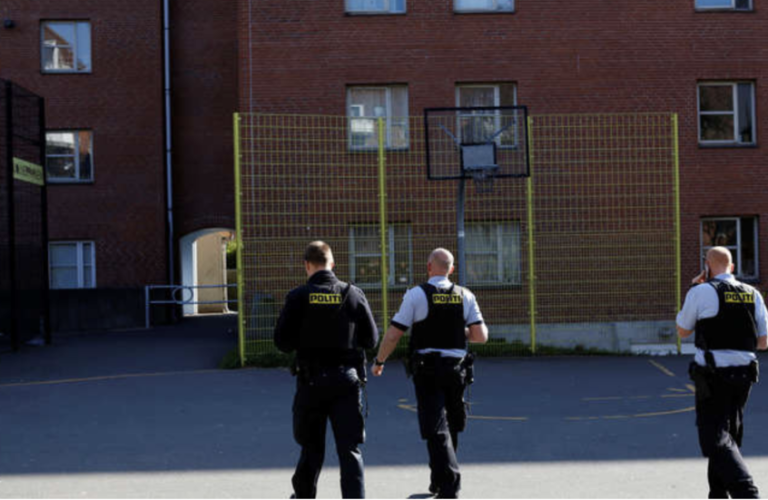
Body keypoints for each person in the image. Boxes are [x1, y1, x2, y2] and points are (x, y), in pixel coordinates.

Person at [372, 248, 488, 499]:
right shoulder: (465, 295)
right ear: (452, 269)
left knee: (436, 427)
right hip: (457, 370)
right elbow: (480, 336)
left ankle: (449, 486)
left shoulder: (416, 295)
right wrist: (457, 330)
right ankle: (438, 480)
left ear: (428, 267)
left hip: (428, 370)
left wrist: (379, 361)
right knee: (451, 425)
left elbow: (394, 334)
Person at [274, 241, 379, 499]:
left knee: (311, 448)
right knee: (349, 449)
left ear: (307, 265)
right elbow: (371, 340)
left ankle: (304, 495)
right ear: (332, 263)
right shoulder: (353, 293)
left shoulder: (298, 296)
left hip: (311, 381)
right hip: (347, 382)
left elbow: (282, 342)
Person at [677, 246, 768, 499]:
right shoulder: (752, 293)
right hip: (745, 375)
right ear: (732, 267)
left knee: (714, 437)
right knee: (728, 435)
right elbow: (763, 342)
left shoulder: (701, 291)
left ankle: (747, 492)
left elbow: (683, 331)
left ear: (707, 267)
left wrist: (693, 288)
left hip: (713, 376)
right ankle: (717, 494)